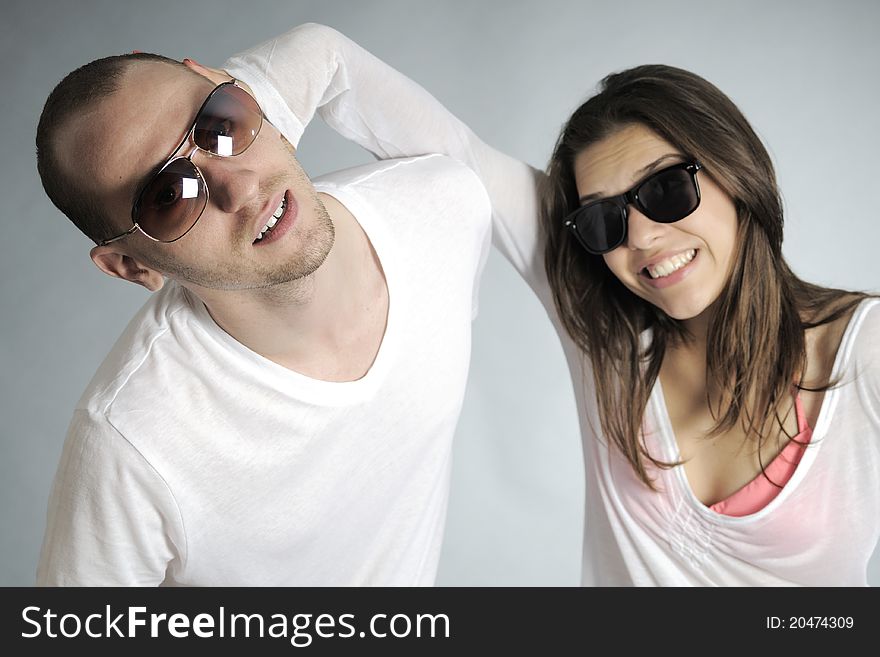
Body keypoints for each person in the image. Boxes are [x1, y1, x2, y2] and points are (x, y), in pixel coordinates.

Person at [237, 24, 880, 585]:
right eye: (604, 221)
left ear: (733, 170)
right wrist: (244, 103)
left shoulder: (866, 354)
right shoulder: (606, 337)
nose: (641, 239)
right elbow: (441, 144)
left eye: (664, 189)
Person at [35, 46, 495, 585]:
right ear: (133, 266)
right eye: (169, 195)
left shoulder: (442, 209)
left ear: (249, 97)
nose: (241, 187)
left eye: (219, 123)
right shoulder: (132, 443)